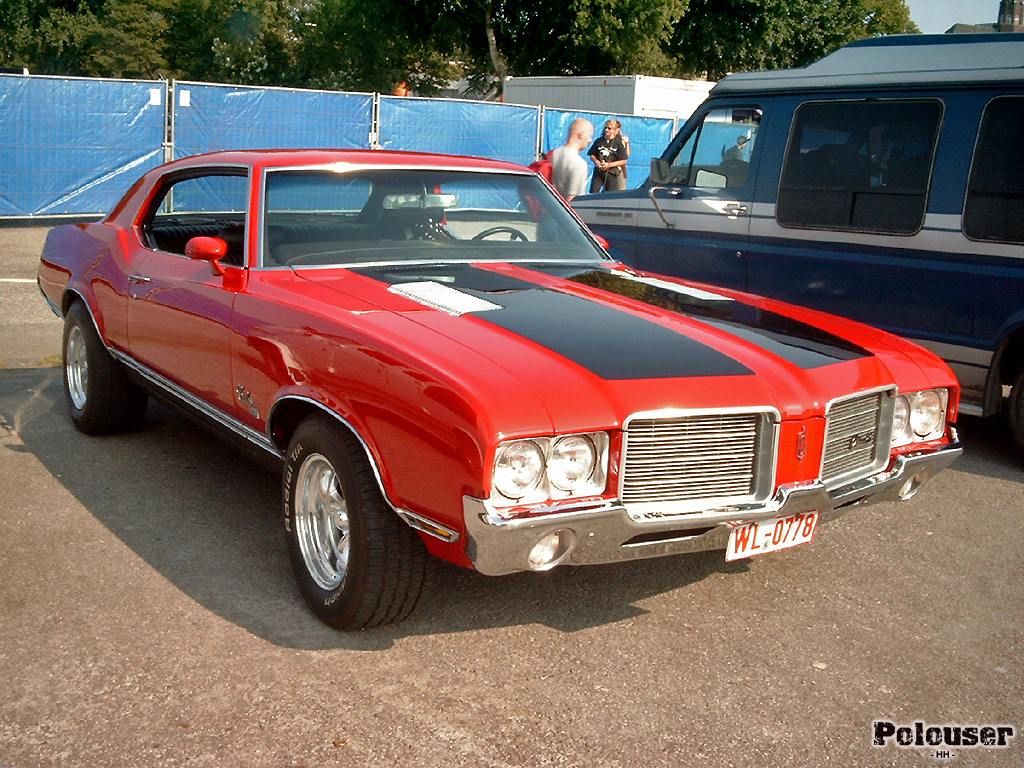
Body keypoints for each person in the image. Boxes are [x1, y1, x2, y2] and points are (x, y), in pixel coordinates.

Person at [551, 118, 594, 202]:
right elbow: (573, 199)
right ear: (580, 135)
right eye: (589, 136)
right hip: (562, 210)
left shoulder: (553, 155)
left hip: (547, 207)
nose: (590, 140)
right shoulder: (579, 164)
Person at [588, 119, 629, 193]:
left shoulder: (618, 142)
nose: (606, 130)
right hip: (599, 171)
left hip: (612, 172)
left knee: (608, 193)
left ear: (614, 130)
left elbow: (624, 160)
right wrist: (596, 161)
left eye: (609, 128)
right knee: (593, 191)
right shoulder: (599, 141)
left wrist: (609, 165)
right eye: (605, 128)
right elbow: (592, 154)